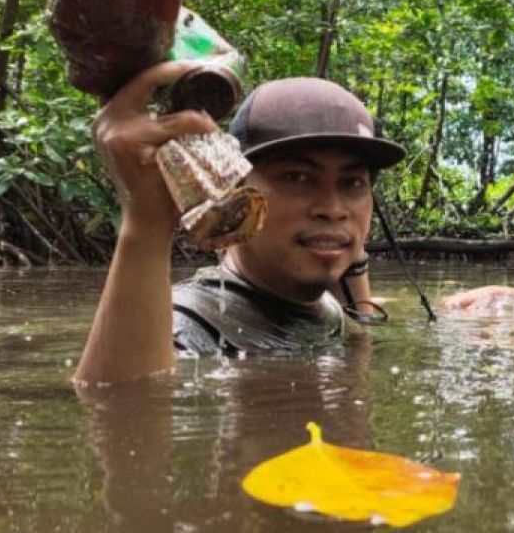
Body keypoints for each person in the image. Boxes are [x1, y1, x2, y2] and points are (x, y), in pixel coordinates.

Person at [75, 61, 405, 384]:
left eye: (352, 184)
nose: (333, 208)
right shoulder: (188, 325)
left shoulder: (326, 309)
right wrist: (146, 220)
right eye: (298, 177)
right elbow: (125, 418)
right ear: (232, 187)